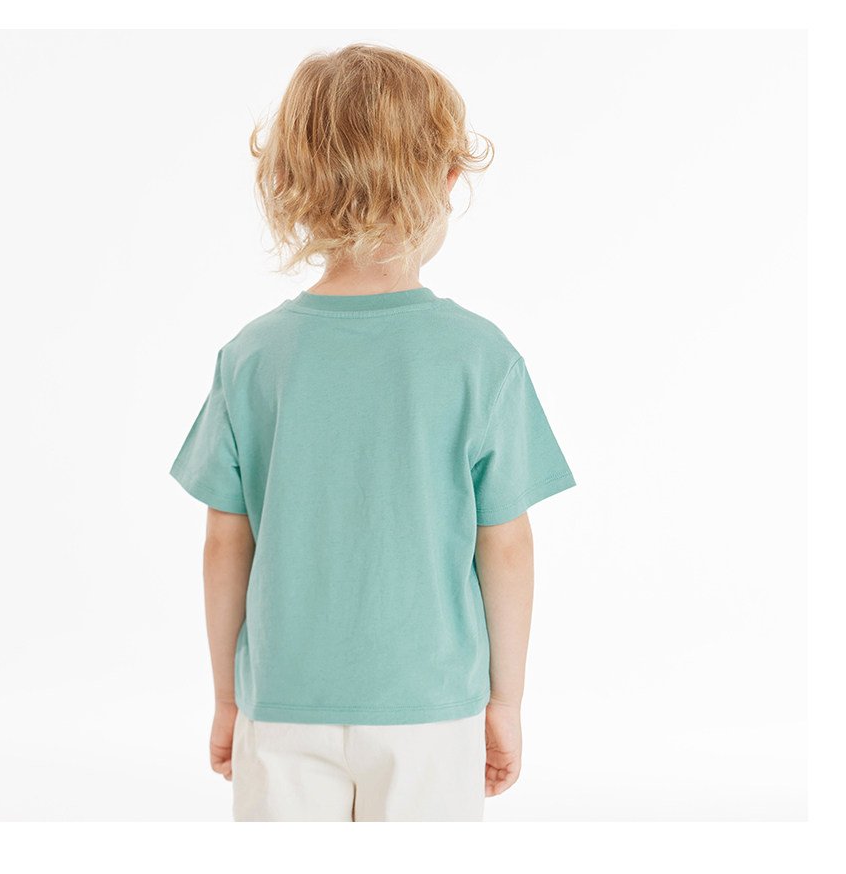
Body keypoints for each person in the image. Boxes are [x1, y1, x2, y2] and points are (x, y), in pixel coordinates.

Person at [169, 42, 577, 822]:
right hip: (432, 707)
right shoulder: (480, 357)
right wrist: (506, 701)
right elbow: (506, 545)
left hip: (282, 701)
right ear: (448, 180)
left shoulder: (252, 357)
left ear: (289, 182)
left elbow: (225, 541)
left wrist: (227, 696)